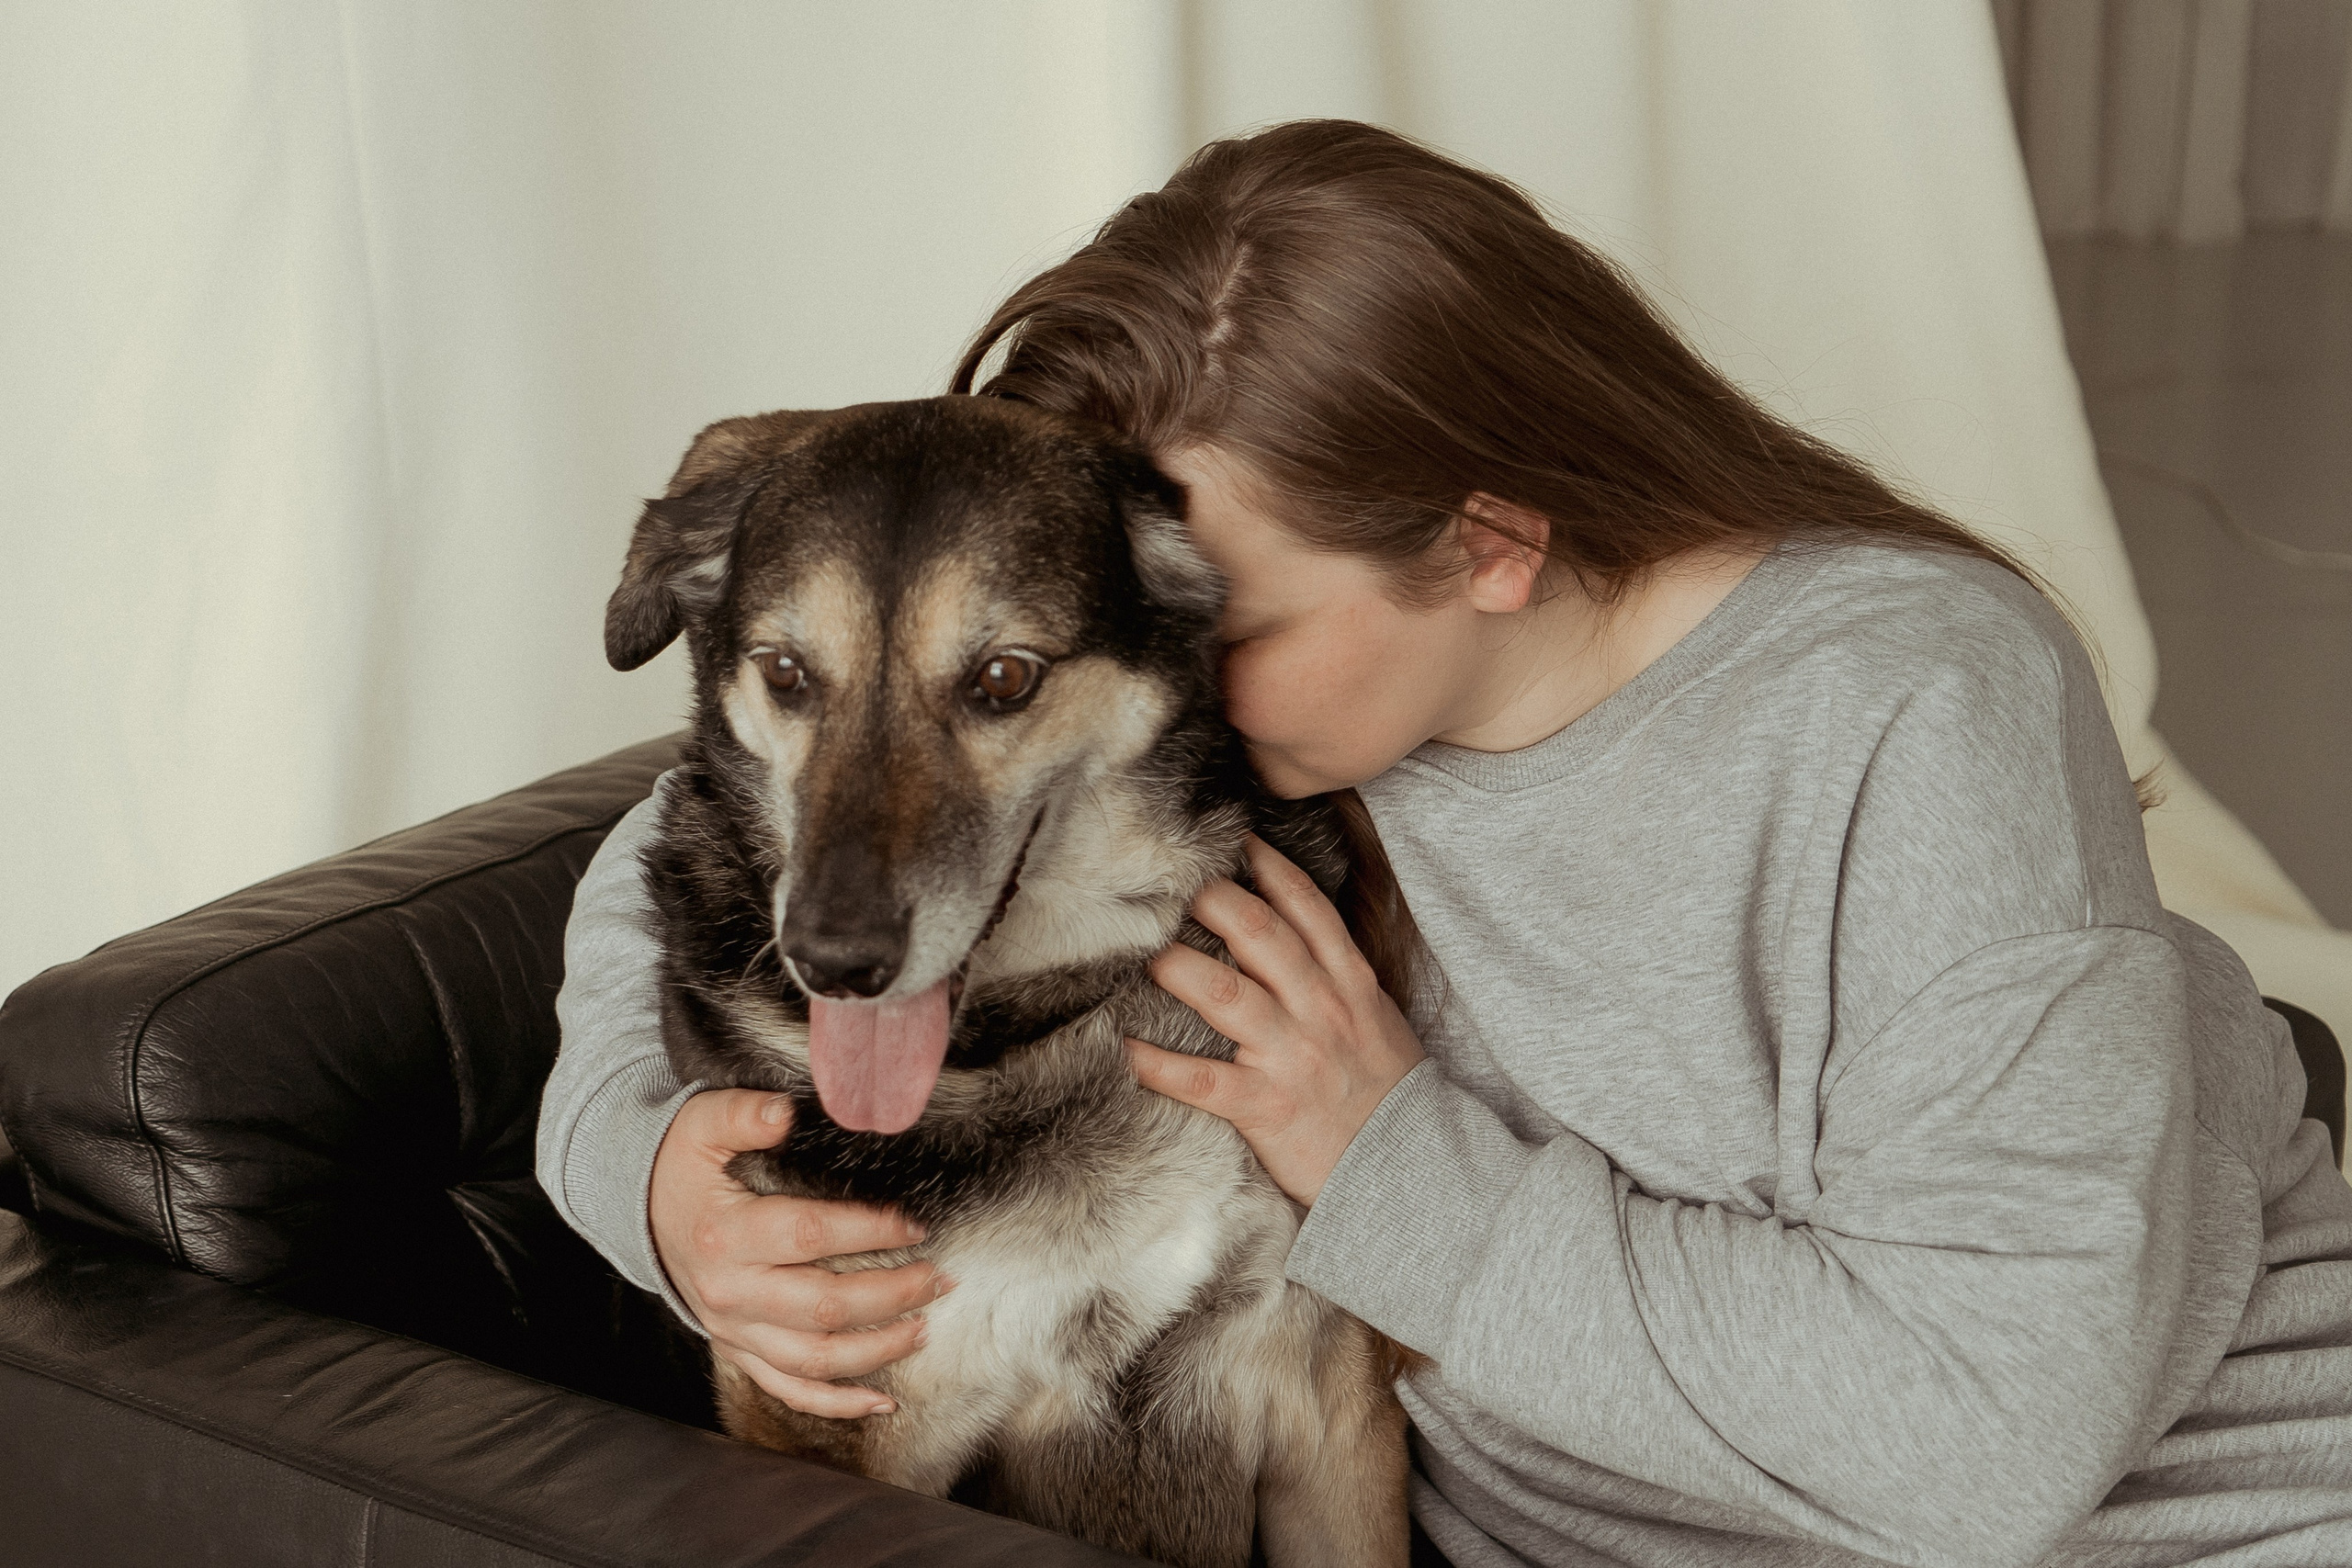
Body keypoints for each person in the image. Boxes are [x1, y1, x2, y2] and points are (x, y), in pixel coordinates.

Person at [537, 120, 2352, 1566]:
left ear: (1485, 543)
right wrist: (656, 1171)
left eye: (1210, 620)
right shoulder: (1261, 707)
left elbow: (1983, 1453)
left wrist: (1393, 1162)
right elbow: (709, 831)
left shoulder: (1902, 705)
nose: (1153, 684)